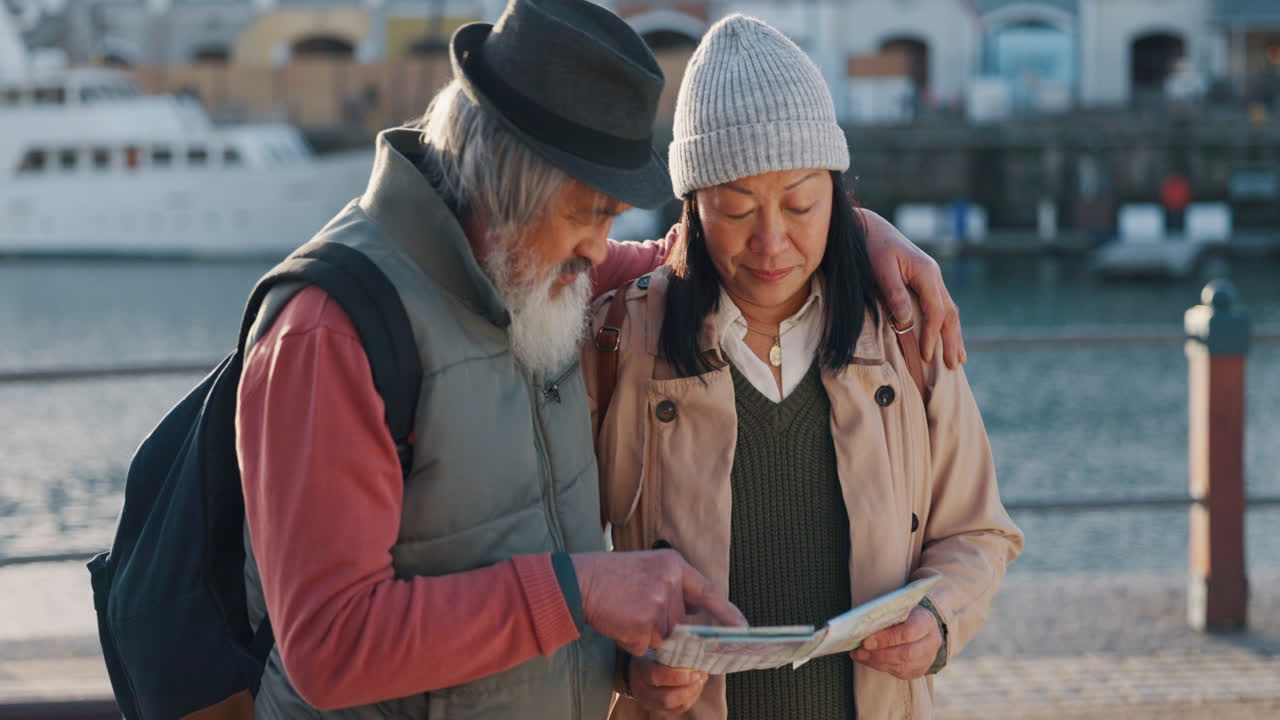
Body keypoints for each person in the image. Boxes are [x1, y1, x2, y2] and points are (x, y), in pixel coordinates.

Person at [235, 1, 965, 718]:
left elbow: (696, 254)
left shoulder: (529, 264)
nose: (598, 250)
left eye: (611, 220)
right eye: (590, 214)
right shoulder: (327, 334)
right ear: (508, 182)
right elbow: (327, 649)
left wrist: (851, 231)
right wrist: (578, 591)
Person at [583, 15, 1023, 720]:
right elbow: (557, 564)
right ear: (691, 206)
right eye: (733, 208)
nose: (771, 240)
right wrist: (621, 665)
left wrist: (938, 620)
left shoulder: (905, 330)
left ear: (840, 199)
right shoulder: (620, 340)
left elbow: (978, 531)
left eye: (800, 202)